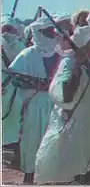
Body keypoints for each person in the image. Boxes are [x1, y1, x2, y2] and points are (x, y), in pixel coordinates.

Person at [35, 26, 90, 184]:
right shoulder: (68, 63)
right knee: (70, 173)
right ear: (85, 43)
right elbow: (64, 97)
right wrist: (77, 67)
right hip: (73, 129)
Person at [8, 17, 62, 184]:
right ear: (38, 33)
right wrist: (37, 84)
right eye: (47, 32)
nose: (52, 35)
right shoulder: (27, 54)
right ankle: (29, 178)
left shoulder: (60, 54)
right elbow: (14, 77)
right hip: (34, 105)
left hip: (56, 105)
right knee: (33, 142)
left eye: (52, 31)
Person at [2, 15, 26, 168]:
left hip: (17, 89)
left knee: (17, 121)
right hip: (3, 89)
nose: (7, 32)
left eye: (10, 29)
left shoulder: (21, 47)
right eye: (5, 29)